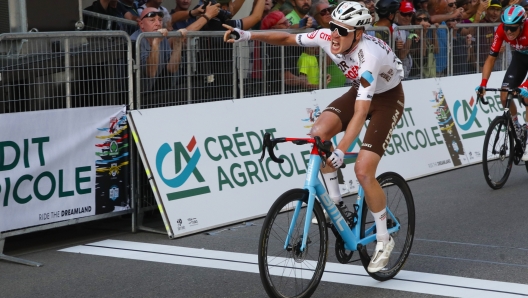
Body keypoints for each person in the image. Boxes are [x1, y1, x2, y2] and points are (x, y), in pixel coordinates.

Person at [224, 1, 405, 272]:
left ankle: (383, 237)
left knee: (364, 170)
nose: (333, 34)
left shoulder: (369, 56)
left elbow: (359, 114)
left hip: (387, 99)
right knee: (319, 133)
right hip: (358, 90)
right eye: (332, 26)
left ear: (357, 34)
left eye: (341, 31)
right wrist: (247, 35)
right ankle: (336, 202)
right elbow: (285, 37)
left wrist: (342, 150)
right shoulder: (326, 36)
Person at [477, 5, 528, 161]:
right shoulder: (501, 30)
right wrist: (483, 84)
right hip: (520, 59)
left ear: (521, 25)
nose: (509, 32)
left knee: (527, 98)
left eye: (513, 28)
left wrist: (525, 87)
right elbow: (491, 58)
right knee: (504, 95)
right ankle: (517, 128)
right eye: (506, 28)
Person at [132, 6, 219, 92]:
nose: (158, 24)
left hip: (149, 92)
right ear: (141, 24)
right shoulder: (135, 41)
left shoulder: (161, 38)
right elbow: (150, 73)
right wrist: (155, 44)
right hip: (132, 96)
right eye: (152, 20)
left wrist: (178, 44)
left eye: (160, 20)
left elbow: (172, 68)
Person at [477, 0, 504, 71]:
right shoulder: (481, 24)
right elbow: (473, 49)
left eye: (498, 10)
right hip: (481, 66)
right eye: (492, 9)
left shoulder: (501, 25)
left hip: (496, 66)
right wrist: (477, 66)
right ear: (486, 10)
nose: (495, 13)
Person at [394, 0, 416, 79]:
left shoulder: (407, 28)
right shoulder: (394, 28)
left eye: (410, 15)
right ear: (397, 13)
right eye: (404, 14)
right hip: (396, 74)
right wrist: (410, 37)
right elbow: (402, 55)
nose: (407, 18)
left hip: (405, 72)